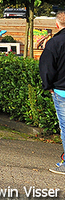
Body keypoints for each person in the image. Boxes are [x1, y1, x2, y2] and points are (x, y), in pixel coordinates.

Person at [39, 10, 65, 174]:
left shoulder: (54, 43)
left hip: (61, 91)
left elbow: (47, 68)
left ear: (57, 25)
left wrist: (47, 85)